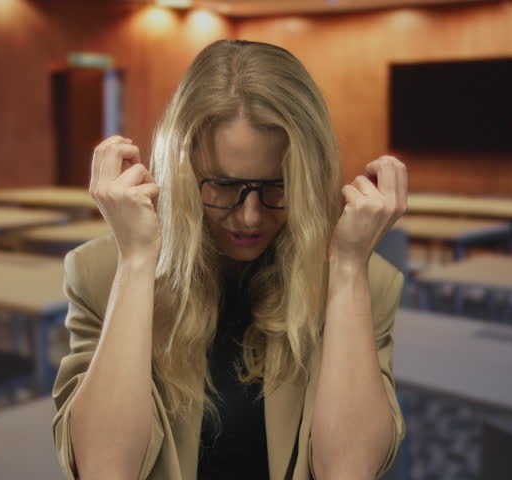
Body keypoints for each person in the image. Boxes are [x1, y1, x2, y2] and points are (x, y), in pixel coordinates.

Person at [52, 39, 409, 480]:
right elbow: (105, 469)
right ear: (183, 174)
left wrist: (351, 270)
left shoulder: (367, 282)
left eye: (278, 185)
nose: (250, 216)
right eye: (222, 185)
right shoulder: (99, 274)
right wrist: (138, 263)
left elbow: (349, 470)